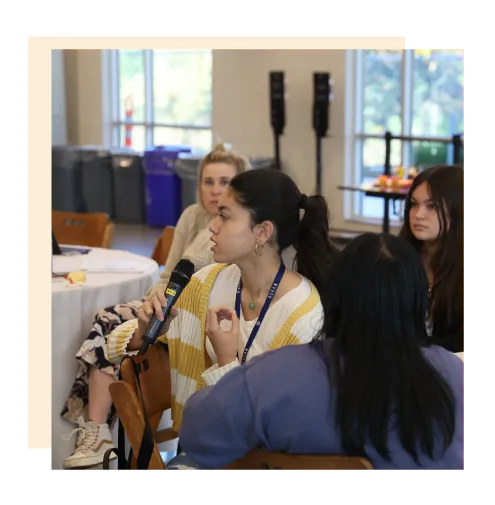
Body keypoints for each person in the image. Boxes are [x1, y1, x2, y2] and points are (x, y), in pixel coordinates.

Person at [104, 168, 341, 466]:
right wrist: (144, 330)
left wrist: (227, 362)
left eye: (225, 216)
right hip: (202, 448)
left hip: (259, 462)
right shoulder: (207, 282)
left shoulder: (303, 315)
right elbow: (114, 346)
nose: (212, 227)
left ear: (262, 231)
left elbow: (266, 429)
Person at [177, 233, 464, 472]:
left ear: (336, 296)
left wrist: (228, 365)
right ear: (419, 301)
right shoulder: (455, 375)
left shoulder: (280, 373)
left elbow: (197, 435)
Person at [61, 143, 251, 470]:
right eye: (208, 182)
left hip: (192, 312)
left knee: (106, 321)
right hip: (165, 302)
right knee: (105, 320)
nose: (215, 190)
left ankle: (96, 429)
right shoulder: (192, 215)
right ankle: (98, 430)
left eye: (224, 182)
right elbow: (168, 272)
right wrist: (153, 300)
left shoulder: (233, 230)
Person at [398, 164, 464, 354]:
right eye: (413, 204)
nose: (418, 215)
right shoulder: (394, 259)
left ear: (457, 210)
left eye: (432, 206)